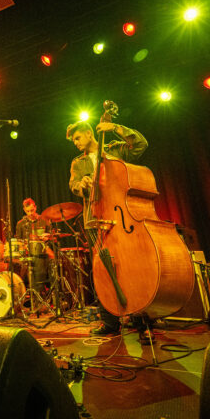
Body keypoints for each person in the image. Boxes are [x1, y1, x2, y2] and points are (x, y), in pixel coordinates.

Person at [67, 120, 148, 335]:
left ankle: (142, 319)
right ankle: (110, 323)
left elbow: (141, 145)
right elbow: (73, 185)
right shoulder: (78, 163)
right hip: (94, 219)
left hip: (121, 215)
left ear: (88, 133)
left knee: (132, 265)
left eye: (77, 138)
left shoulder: (114, 151)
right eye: (73, 140)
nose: (75, 143)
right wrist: (81, 187)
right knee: (102, 269)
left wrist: (116, 128)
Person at [15, 198, 54, 294]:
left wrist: (48, 237)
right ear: (24, 210)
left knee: (53, 260)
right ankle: (33, 294)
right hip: (28, 254)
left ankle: (47, 291)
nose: (30, 213)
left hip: (43, 252)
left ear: (35, 208)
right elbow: (18, 241)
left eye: (32, 210)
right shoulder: (21, 224)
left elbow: (53, 237)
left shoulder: (44, 220)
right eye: (28, 211)